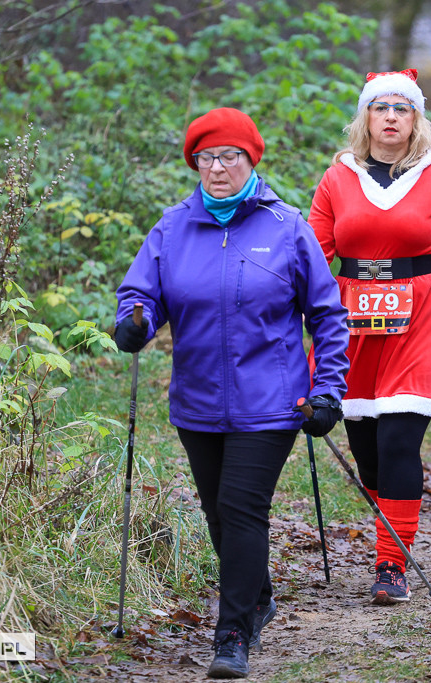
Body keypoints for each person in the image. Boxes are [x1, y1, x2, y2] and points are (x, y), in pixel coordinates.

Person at [114, 108, 350, 679]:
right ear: (195, 163)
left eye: (230, 157)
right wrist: (136, 319)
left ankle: (233, 634)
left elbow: (327, 314)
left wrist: (329, 390)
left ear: (251, 161)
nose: (217, 168)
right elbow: (140, 293)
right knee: (218, 513)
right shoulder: (172, 228)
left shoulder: (287, 226)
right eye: (207, 158)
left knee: (243, 511)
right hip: (196, 402)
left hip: (270, 401)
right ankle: (259, 597)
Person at [309, 69, 431, 605]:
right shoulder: (337, 178)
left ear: (417, 120)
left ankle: (392, 563)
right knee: (367, 451)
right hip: (352, 322)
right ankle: (391, 530)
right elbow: (315, 256)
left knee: (398, 440)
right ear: (366, 117)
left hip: (423, 317)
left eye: (402, 108)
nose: (391, 116)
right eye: (380, 107)